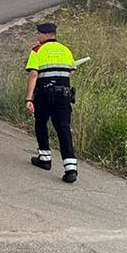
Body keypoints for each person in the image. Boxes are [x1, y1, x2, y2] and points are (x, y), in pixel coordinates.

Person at [24, 22, 79, 183]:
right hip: (64, 95)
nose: (38, 37)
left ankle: (45, 158)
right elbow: (69, 73)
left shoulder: (37, 50)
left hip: (44, 95)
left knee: (41, 124)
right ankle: (71, 168)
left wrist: (29, 98)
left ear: (47, 34)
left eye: (39, 34)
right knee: (63, 129)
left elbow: (33, 75)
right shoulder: (65, 50)